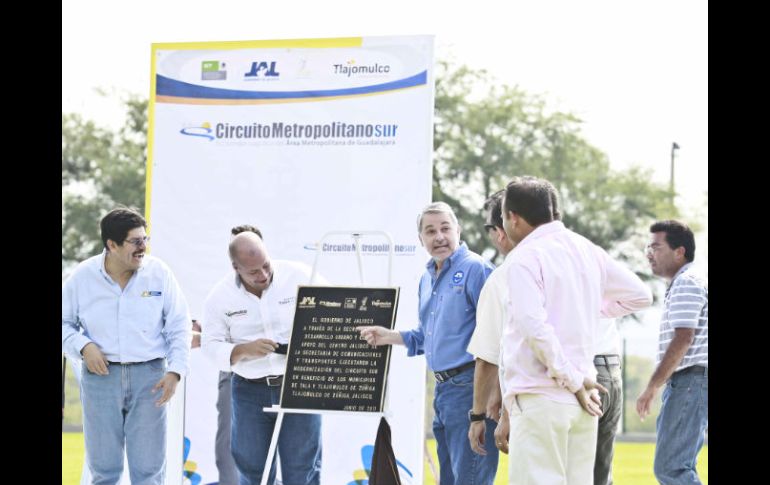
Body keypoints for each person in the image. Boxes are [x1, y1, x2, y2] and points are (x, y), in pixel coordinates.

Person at [499, 176, 651, 485]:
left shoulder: (524, 257)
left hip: (542, 395)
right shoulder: (587, 249)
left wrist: (569, 376)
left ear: (513, 217)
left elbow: (533, 326)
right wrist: (585, 308)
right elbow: (640, 295)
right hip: (584, 399)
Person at [358, 201, 498, 485]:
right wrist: (388, 336)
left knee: (470, 479)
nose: (439, 237)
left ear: (458, 230)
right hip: (443, 392)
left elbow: (497, 335)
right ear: (420, 238)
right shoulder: (426, 278)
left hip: (471, 388)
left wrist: (488, 403)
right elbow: (426, 337)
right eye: (430, 231)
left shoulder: (477, 269)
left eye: (445, 228)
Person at [62, 207, 191, 485]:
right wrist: (83, 346)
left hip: (150, 379)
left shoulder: (159, 274)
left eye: (145, 239)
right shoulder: (82, 277)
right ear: (112, 245)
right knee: (104, 472)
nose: (143, 247)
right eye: (135, 241)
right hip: (100, 379)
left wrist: (176, 371)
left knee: (149, 472)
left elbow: (179, 325)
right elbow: (63, 323)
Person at [201, 231, 323, 485]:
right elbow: (210, 346)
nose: (264, 275)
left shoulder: (300, 276)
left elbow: (337, 307)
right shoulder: (219, 297)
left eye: (266, 265)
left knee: (303, 470)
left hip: (299, 385)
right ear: (235, 268)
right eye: (254, 272)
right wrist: (243, 350)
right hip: (249, 391)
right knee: (253, 471)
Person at [636, 220, 707, 485]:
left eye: (656, 247)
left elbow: (683, 337)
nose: (649, 254)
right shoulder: (686, 282)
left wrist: (652, 386)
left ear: (679, 252)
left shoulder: (686, 283)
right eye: (648, 247)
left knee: (671, 468)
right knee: (678, 465)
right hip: (691, 382)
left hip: (690, 381)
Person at [466, 190, 516, 456]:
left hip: (534, 401)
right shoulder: (575, 257)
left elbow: (488, 357)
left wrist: (477, 416)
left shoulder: (502, 277)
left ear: (502, 229)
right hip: (594, 383)